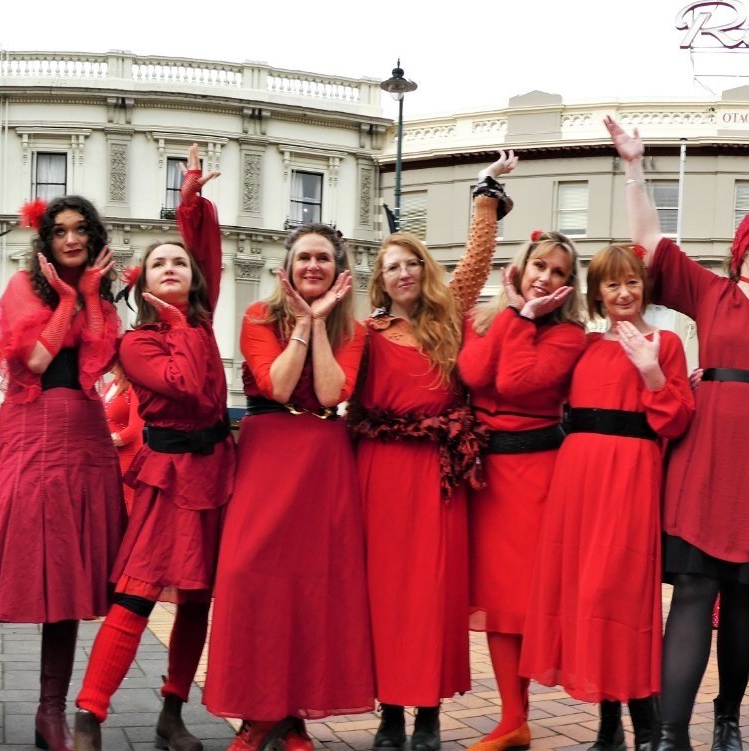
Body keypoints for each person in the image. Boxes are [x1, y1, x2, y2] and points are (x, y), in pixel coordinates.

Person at [609, 116, 749, 750]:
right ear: (743, 247)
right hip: (707, 459)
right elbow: (650, 239)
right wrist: (635, 166)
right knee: (694, 588)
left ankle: (728, 718)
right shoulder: (713, 292)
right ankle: (669, 734)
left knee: (743, 597)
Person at [0, 195, 127, 751]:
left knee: (68, 581)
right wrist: (68, 302)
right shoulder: (20, 286)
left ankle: (50, 716)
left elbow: (100, 364)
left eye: (80, 229)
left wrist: (89, 298)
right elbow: (34, 361)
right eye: (60, 231)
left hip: (84, 437)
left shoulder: (102, 299)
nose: (71, 239)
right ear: (46, 241)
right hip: (32, 433)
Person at [71, 145, 233, 751]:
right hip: (169, 477)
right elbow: (188, 389)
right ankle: (90, 713)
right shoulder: (138, 343)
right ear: (144, 283)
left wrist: (188, 200)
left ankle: (172, 712)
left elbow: (205, 250)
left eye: (180, 263)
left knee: (197, 599)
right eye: (159, 262)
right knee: (137, 595)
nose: (172, 267)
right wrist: (185, 323)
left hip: (217, 472)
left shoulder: (199, 320)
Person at [355, 152, 516, 751]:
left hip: (437, 474)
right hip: (377, 473)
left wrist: (486, 196)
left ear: (423, 269)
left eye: (410, 263)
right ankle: (391, 713)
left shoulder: (448, 322)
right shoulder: (364, 334)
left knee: (432, 596)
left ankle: (427, 713)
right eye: (391, 266)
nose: (402, 273)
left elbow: (475, 262)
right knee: (384, 597)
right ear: (380, 279)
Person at [205, 222, 372, 751]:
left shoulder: (355, 330)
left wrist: (321, 323)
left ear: (339, 270)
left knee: (311, 588)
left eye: (324, 258)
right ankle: (257, 712)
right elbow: (277, 384)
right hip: (267, 454)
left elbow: (328, 392)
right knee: (249, 577)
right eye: (304, 258)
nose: (313, 266)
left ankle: (292, 716)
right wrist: (305, 321)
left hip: (323, 460)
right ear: (288, 267)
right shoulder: (258, 316)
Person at [521, 243, 694, 751]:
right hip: (578, 479)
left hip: (631, 477)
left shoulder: (665, 343)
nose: (623, 292)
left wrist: (651, 371)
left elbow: (678, 420)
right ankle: (609, 725)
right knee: (587, 595)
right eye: (612, 284)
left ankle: (647, 723)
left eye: (632, 282)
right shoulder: (584, 345)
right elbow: (528, 383)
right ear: (597, 293)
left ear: (645, 287)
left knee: (618, 595)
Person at [458, 201, 587, 751]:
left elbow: (512, 383)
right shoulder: (487, 316)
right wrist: (512, 315)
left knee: (522, 602)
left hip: (536, 475)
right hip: (488, 476)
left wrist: (526, 318)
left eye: (559, 272)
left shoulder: (568, 335)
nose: (547, 278)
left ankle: (518, 716)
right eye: (541, 266)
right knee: (498, 603)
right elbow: (472, 373)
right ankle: (513, 719)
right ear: (522, 266)